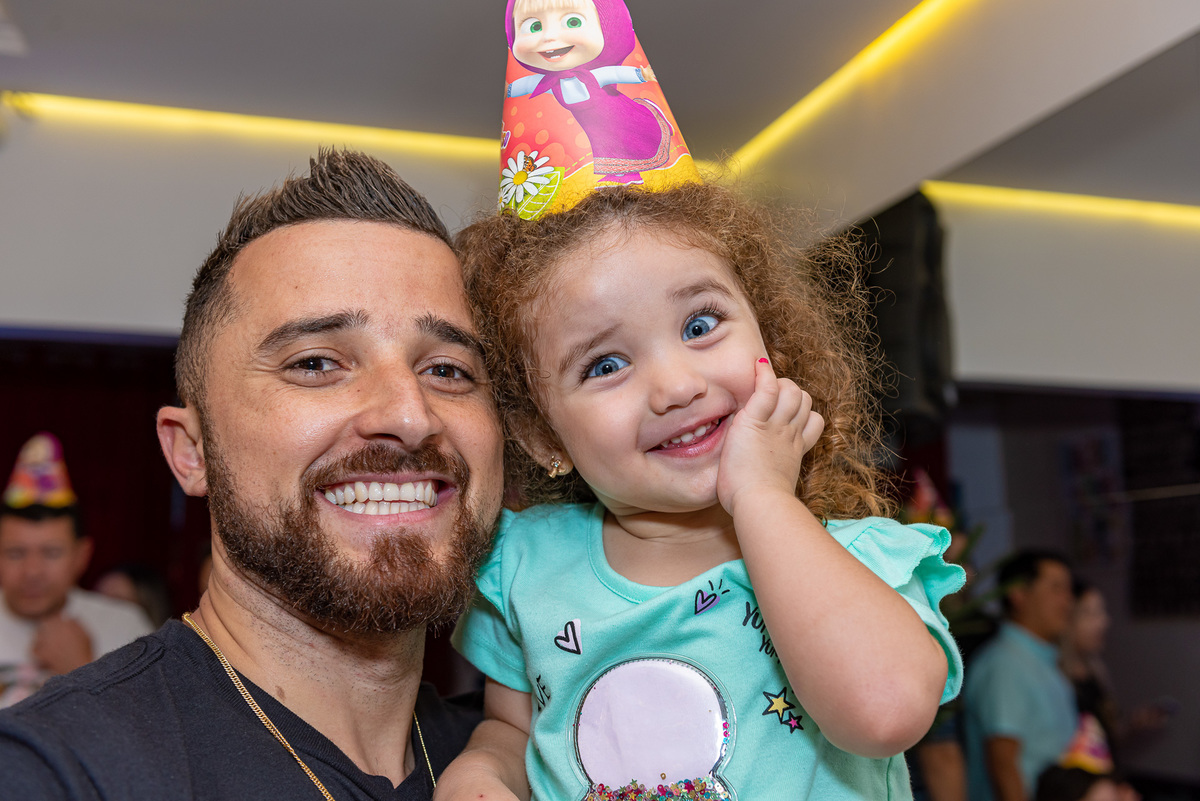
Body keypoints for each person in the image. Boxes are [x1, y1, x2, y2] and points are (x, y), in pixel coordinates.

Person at [0, 149, 505, 800]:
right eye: (317, 363)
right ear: (191, 451)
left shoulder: (553, 762)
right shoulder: (55, 774)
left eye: (448, 370)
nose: (410, 416)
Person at [436, 181, 967, 800]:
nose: (676, 386)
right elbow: (514, 729)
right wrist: (482, 772)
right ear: (540, 435)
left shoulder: (857, 563)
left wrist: (763, 497)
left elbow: (885, 714)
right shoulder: (524, 566)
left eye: (700, 325)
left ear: (769, 342)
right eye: (605, 365)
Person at [0, 433, 153, 708]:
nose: (32, 571)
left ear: (81, 556)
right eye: (16, 553)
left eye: (51, 553)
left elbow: (152, 727)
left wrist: (80, 667)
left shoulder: (126, 628)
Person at [964, 550, 1078, 801]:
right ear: (1018, 594)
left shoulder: (1042, 660)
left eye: (1069, 590)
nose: (1068, 601)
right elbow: (1003, 762)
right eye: (1056, 588)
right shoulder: (1004, 663)